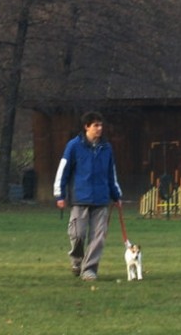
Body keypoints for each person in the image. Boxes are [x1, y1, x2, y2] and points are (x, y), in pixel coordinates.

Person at [53, 111, 123, 281]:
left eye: (101, 125)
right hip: (80, 198)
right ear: (86, 127)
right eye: (96, 125)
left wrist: (116, 195)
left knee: (98, 237)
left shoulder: (107, 148)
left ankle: (89, 269)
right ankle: (77, 260)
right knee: (78, 235)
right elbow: (63, 171)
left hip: (101, 199)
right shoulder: (74, 146)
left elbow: (110, 173)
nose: (99, 129)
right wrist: (59, 194)